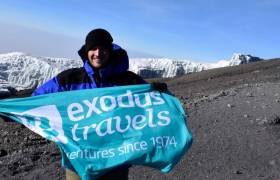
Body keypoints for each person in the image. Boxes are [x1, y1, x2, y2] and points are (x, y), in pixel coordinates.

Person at [32, 28, 167, 179]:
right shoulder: (69, 79)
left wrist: (161, 93)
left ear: (110, 51)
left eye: (102, 48)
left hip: (116, 163)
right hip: (79, 162)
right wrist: (9, 110)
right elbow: (36, 101)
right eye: (93, 48)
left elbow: (153, 105)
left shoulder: (129, 82)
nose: (97, 53)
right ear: (86, 51)